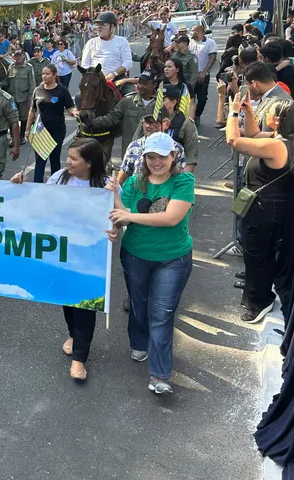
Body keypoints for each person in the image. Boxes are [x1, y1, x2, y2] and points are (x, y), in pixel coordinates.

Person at [10, 138, 110, 380]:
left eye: (74, 159)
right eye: (69, 157)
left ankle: (79, 359)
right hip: (61, 253)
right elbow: (38, 203)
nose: (68, 162)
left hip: (89, 258)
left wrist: (114, 224)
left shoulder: (105, 185)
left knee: (85, 305)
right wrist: (20, 186)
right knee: (67, 300)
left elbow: (117, 218)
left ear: (89, 162)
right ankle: (73, 333)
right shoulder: (59, 177)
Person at [109, 132, 194, 395]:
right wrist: (115, 213)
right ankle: (138, 341)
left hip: (173, 258)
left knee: (161, 314)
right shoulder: (135, 182)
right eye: (151, 157)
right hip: (135, 254)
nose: (156, 162)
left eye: (162, 156)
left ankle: (160, 375)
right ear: (144, 158)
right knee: (139, 304)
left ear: (173, 156)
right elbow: (123, 217)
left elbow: (171, 218)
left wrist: (129, 216)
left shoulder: (184, 181)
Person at [227, 96, 294, 323]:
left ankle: (259, 301)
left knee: (257, 255)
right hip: (273, 208)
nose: (264, 115)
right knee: (261, 254)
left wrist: (233, 113)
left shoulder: (275, 145)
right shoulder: (285, 139)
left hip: (264, 210)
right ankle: (258, 293)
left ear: (277, 120)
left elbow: (234, 140)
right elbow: (252, 134)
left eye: (267, 112)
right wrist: (249, 111)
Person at [27, 63, 77, 182]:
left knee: (55, 160)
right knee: (40, 160)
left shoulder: (62, 90)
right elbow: (32, 110)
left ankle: (55, 185)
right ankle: (37, 187)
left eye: (47, 74)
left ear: (54, 75)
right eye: (43, 74)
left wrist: (75, 112)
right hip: (40, 131)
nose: (44, 76)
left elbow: (70, 107)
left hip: (57, 131)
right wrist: (28, 129)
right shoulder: (37, 90)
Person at [119, 114, 186, 184]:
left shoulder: (176, 148)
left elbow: (180, 176)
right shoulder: (134, 146)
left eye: (156, 122)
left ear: (166, 124)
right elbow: (124, 174)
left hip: (167, 191)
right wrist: (116, 191)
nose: (151, 126)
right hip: (137, 190)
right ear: (142, 124)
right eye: (148, 122)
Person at [80, 11, 133, 83]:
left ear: (112, 27)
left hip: (117, 79)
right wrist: (93, 76)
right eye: (97, 24)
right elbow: (85, 64)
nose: (99, 27)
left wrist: (114, 74)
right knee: (79, 94)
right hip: (94, 80)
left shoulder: (122, 41)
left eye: (102, 24)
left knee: (130, 92)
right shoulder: (91, 42)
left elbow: (128, 62)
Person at [1, 50, 36, 143]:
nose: (18, 57)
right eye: (16, 56)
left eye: (19, 55)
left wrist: (32, 97)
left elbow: (32, 83)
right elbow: (7, 81)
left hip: (24, 97)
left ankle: (21, 136)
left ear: (23, 56)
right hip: (12, 97)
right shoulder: (11, 67)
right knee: (11, 118)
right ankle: (13, 138)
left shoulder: (28, 68)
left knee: (24, 118)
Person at [189, 24, 217, 126]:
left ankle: (197, 115)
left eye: (194, 31)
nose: (191, 33)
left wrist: (204, 73)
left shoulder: (210, 43)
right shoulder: (188, 42)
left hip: (203, 76)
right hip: (191, 76)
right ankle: (190, 117)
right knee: (189, 98)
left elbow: (212, 58)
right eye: (191, 31)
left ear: (201, 32)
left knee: (202, 98)